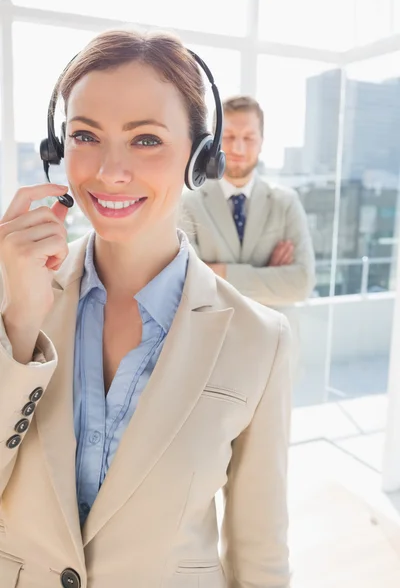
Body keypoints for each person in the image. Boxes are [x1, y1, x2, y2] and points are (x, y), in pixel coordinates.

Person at [0, 30, 292, 588]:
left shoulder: (261, 341)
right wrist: (17, 326)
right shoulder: (10, 292)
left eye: (146, 140)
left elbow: (262, 559)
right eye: (86, 135)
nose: (109, 171)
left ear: (200, 158)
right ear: (57, 150)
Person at [180, 96, 315, 307]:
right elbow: (186, 283)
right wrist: (268, 275)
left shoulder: (286, 202)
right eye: (229, 136)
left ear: (262, 141)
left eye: (249, 138)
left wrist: (219, 272)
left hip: (274, 337)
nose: (238, 149)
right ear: (214, 141)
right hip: (214, 338)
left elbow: (301, 284)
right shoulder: (187, 204)